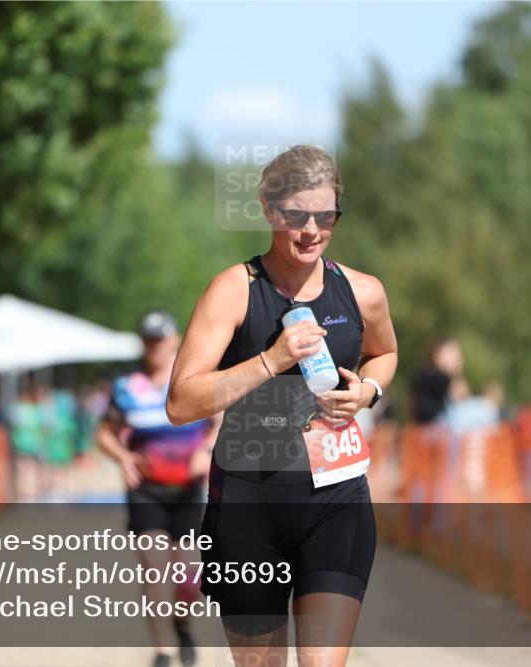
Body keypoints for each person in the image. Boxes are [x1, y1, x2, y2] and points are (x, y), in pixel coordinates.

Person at [166, 145, 398, 667]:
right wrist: (270, 361)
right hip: (248, 507)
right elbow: (181, 403)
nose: (312, 230)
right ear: (269, 210)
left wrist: (367, 391)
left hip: (336, 501)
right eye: (297, 216)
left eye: (326, 216)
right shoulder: (233, 291)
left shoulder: (362, 292)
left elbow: (385, 353)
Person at [96, 309, 221, 667]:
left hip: (188, 491)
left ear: (175, 339)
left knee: (189, 580)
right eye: (149, 340)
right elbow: (104, 434)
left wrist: (206, 450)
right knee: (155, 572)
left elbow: (220, 420)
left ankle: (182, 624)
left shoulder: (192, 379)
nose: (155, 346)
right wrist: (123, 457)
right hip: (146, 490)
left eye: (160, 339)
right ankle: (163, 649)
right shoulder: (126, 386)